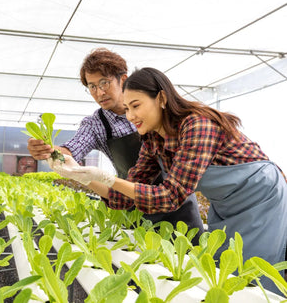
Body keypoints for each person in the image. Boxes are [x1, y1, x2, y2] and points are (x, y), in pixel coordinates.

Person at [49, 67, 287, 294]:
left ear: (161, 98)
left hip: (260, 197)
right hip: (224, 203)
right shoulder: (153, 140)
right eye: (127, 108)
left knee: (253, 277)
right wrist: (80, 176)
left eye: (136, 106)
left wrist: (108, 178)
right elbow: (124, 198)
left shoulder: (197, 125)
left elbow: (170, 197)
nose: (130, 116)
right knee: (223, 270)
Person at [28, 48, 204, 240]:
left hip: (179, 203)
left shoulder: (163, 113)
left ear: (123, 79)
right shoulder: (96, 124)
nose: (99, 92)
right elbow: (72, 149)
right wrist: (50, 151)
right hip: (133, 203)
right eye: (92, 87)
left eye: (104, 83)